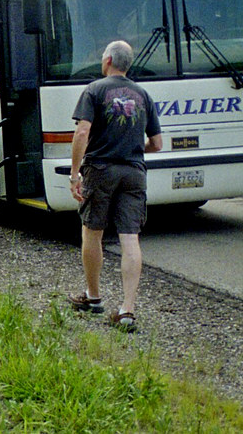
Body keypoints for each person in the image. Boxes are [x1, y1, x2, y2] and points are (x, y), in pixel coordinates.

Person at [67, 41, 162, 333]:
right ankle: (126, 311)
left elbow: (83, 131)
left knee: (92, 232)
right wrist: (133, 147)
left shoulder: (94, 90)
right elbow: (157, 144)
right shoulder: (144, 94)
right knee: (129, 238)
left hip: (100, 168)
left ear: (107, 59)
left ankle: (94, 298)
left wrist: (74, 173)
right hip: (134, 170)